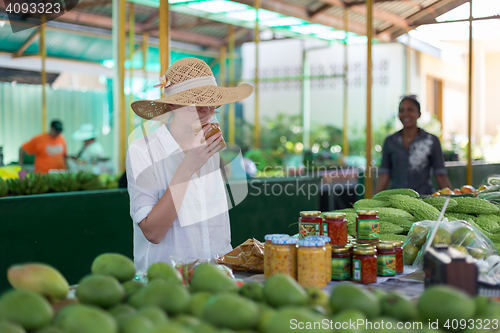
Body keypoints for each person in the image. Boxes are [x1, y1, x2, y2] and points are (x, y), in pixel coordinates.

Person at [126, 57, 253, 271]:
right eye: (195, 100)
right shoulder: (143, 150)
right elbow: (153, 232)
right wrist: (187, 167)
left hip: (217, 275)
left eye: (211, 101)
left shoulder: (209, 146)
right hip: (166, 283)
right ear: (172, 104)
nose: (206, 109)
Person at [374, 95, 452, 195]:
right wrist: (374, 201)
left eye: (410, 110)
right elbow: (384, 174)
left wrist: (451, 198)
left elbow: (440, 174)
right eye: (402, 110)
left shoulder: (431, 140)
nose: (405, 114)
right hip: (397, 200)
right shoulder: (390, 141)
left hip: (424, 199)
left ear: (418, 114)